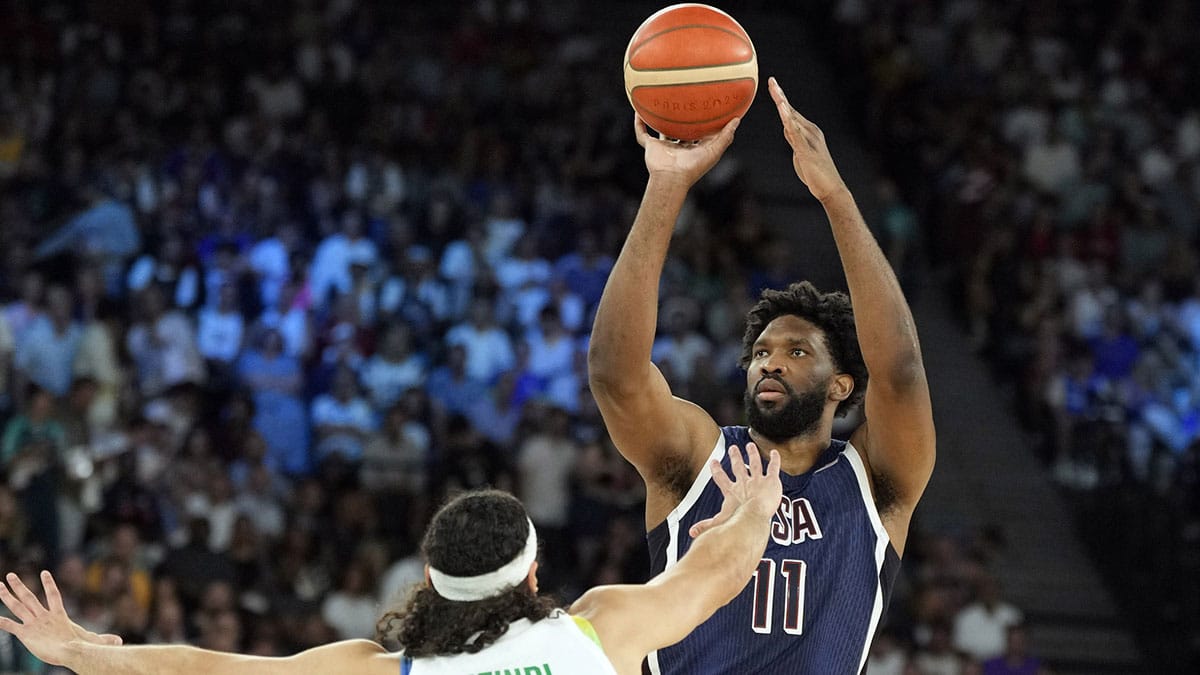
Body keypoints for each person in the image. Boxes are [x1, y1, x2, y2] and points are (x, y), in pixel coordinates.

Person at [587, 77, 936, 674]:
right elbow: (615, 374)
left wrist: (835, 198)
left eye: (798, 352)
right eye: (762, 353)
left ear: (842, 384)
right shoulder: (698, 456)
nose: (770, 361)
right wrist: (668, 183)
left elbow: (900, 372)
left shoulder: (876, 481)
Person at [0, 443, 782, 675]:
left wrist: (84, 655)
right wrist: (752, 508)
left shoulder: (382, 671)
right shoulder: (602, 627)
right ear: (534, 574)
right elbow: (715, 571)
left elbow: (211, 669)